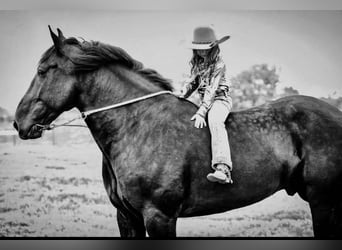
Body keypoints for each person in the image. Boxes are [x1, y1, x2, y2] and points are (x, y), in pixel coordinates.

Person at [178, 26, 233, 184]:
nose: (201, 52)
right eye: (198, 49)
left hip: (219, 100)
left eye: (204, 49)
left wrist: (202, 112)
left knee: (215, 120)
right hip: (205, 101)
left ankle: (223, 168)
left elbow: (211, 90)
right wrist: (182, 94)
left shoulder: (219, 65)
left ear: (213, 47)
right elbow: (192, 83)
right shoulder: (198, 64)